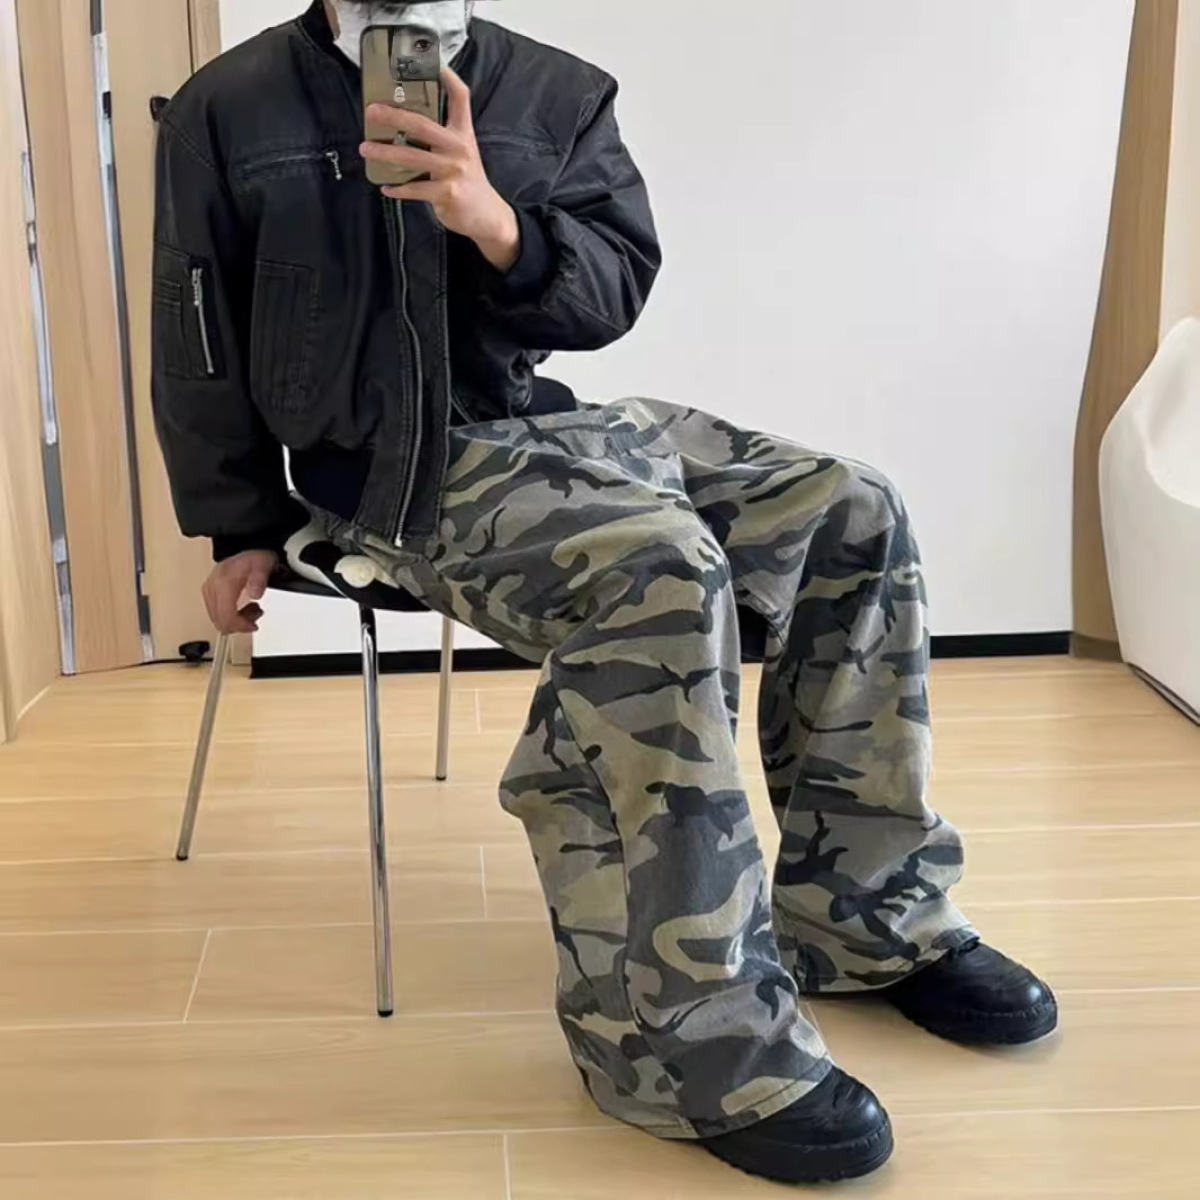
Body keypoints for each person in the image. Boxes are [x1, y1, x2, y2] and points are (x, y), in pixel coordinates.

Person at [152, 1, 1057, 1185]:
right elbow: (195, 331)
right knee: (659, 572)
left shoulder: (560, 90)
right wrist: (238, 523)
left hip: (557, 431)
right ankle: (676, 1037)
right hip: (385, 475)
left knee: (853, 506)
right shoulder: (228, 107)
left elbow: (612, 292)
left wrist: (494, 224)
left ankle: (867, 915)